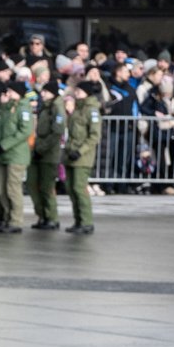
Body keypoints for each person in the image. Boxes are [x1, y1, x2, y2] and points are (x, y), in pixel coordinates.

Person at [0, 82, 35, 235]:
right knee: (2, 189)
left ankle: (16, 220)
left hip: (16, 154)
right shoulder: (9, 108)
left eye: (11, 91)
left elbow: (25, 131)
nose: (8, 93)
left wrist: (5, 144)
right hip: (5, 154)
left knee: (12, 189)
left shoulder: (23, 109)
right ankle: (7, 217)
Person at [64, 78, 103, 235]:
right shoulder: (78, 109)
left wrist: (80, 151)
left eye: (79, 91)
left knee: (79, 189)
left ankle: (86, 221)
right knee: (72, 189)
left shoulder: (91, 110)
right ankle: (78, 220)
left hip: (82, 156)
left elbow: (94, 136)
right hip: (71, 153)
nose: (75, 93)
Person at [29, 86, 66, 231]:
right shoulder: (45, 107)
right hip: (39, 150)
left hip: (49, 153)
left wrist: (42, 148)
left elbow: (57, 132)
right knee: (35, 185)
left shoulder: (56, 108)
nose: (42, 94)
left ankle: (51, 217)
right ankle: (42, 215)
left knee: (47, 187)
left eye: (46, 91)